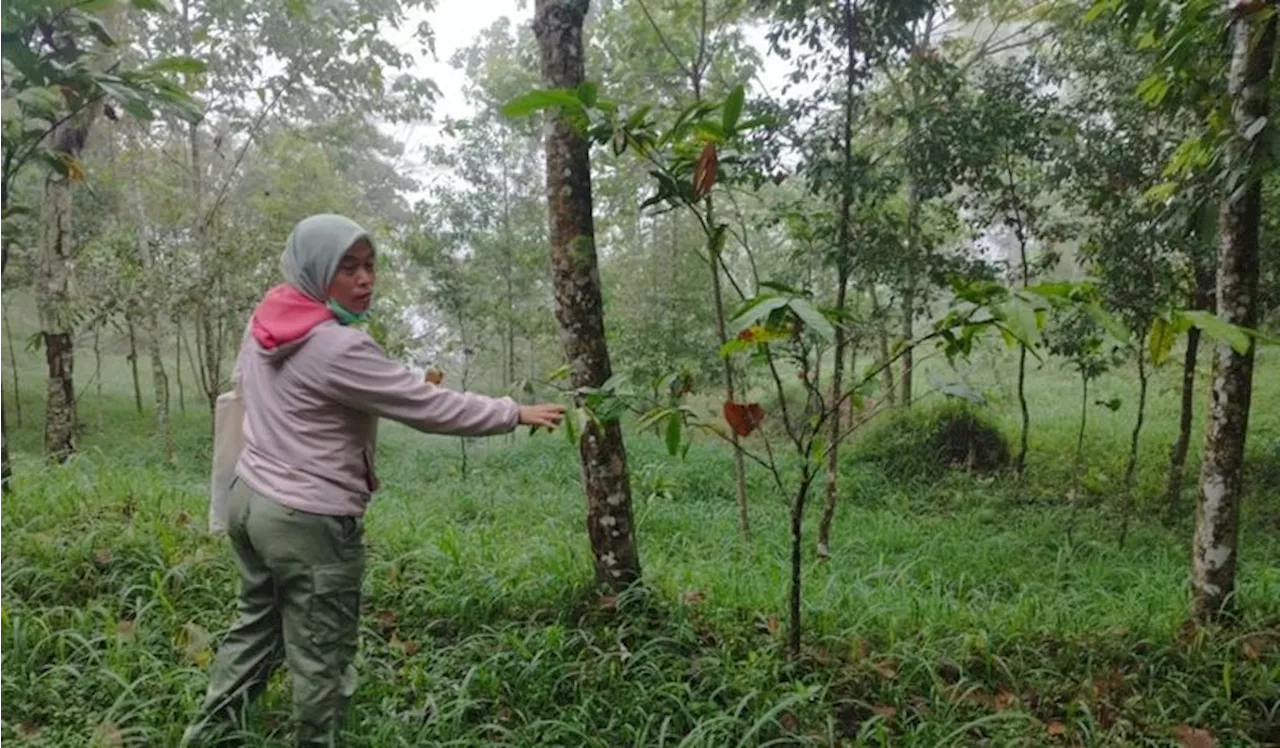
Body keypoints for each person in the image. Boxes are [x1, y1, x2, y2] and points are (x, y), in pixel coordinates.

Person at [183, 214, 565, 746]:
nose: (365, 280)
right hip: (307, 521)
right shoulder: (337, 347)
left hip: (251, 498)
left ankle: (209, 736)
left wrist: (402, 376)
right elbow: (427, 408)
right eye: (348, 267)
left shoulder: (271, 318)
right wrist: (512, 411)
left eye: (370, 266)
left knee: (254, 631)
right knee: (322, 660)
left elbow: (347, 383)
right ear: (317, 270)